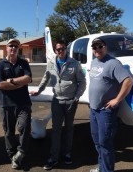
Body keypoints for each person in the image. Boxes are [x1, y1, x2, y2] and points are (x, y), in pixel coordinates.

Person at [30, 40, 86, 170]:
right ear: (55, 51)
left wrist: (77, 97)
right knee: (56, 130)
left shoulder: (74, 63)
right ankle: (53, 157)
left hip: (70, 101)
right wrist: (39, 90)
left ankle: (67, 154)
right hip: (57, 101)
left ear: (66, 49)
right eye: (58, 49)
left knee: (69, 128)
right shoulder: (51, 63)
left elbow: (82, 82)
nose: (60, 51)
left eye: (62, 49)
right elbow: (45, 78)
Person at [88, 38, 133, 172]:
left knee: (105, 144)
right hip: (93, 109)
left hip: (105, 111)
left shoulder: (113, 63)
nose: (97, 49)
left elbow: (128, 81)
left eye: (100, 46)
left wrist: (117, 100)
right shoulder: (94, 62)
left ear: (105, 47)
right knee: (97, 142)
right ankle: (102, 168)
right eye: (94, 47)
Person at [0, 38, 32, 170]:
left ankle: (21, 152)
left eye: (16, 46)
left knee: (25, 127)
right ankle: (12, 155)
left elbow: (28, 78)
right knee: (9, 132)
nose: (13, 48)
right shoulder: (0, 65)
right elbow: (0, 84)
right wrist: (19, 84)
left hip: (24, 103)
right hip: (7, 104)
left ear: (18, 49)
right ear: (6, 48)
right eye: (11, 46)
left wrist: (10, 81)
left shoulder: (23, 63)